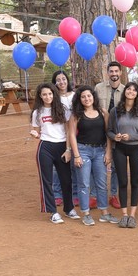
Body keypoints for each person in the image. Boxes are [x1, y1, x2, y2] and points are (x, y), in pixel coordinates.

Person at [69, 86, 118, 226]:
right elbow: (71, 134)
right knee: (84, 183)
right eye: (83, 97)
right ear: (79, 99)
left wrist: (108, 152)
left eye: (89, 96)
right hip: (82, 150)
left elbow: (108, 133)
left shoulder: (103, 112)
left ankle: (104, 213)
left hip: (100, 151)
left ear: (93, 97)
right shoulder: (76, 114)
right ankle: (86, 213)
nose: (87, 99)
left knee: (101, 183)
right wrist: (76, 155)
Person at [30, 83, 79, 224]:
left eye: (50, 94)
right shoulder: (37, 112)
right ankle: (52, 211)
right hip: (45, 147)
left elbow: (69, 131)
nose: (48, 96)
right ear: (40, 96)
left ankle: (69, 209)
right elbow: (36, 131)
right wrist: (34, 134)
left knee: (66, 179)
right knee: (47, 180)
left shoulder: (62, 109)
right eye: (44, 94)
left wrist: (68, 150)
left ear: (54, 94)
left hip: (62, 146)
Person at [107, 82, 138, 228]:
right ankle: (124, 215)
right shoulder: (115, 110)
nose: (131, 92)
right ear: (125, 92)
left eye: (134, 90)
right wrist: (115, 137)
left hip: (136, 149)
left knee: (135, 182)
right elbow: (109, 131)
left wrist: (131, 137)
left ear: (137, 94)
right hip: (119, 149)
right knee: (122, 181)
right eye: (129, 89)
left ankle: (132, 215)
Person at [94, 61, 123, 208]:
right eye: (111, 71)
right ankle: (94, 195)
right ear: (107, 73)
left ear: (121, 73)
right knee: (98, 163)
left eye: (116, 71)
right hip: (98, 132)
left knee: (117, 166)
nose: (114, 74)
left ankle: (114, 195)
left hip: (117, 133)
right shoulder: (98, 88)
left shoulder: (125, 91)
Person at [51, 71, 77, 207]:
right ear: (55, 83)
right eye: (58, 80)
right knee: (58, 166)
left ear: (67, 80)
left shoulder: (75, 96)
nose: (61, 82)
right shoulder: (54, 98)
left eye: (63, 79)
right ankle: (57, 194)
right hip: (59, 135)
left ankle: (76, 193)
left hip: (75, 134)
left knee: (74, 165)